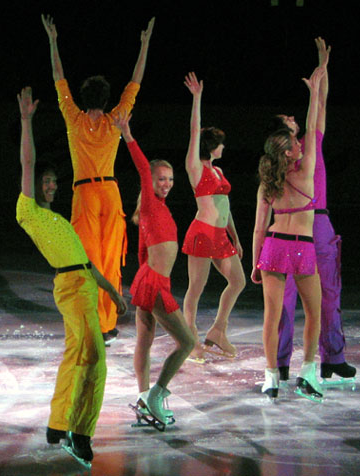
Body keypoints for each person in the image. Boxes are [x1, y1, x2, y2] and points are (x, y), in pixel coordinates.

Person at [16, 87, 126, 467]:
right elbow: (28, 162)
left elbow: (88, 264)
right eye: (45, 181)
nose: (51, 185)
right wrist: (27, 121)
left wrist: (114, 292)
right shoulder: (29, 212)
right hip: (72, 289)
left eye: (53, 182)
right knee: (95, 360)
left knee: (75, 357)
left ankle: (58, 423)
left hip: (85, 286)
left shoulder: (61, 221)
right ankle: (80, 432)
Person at [42, 14, 154, 345]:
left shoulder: (74, 119)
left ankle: (95, 321)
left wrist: (53, 41)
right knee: (108, 259)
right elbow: (135, 83)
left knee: (88, 260)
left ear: (84, 96)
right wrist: (144, 45)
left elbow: (58, 78)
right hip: (110, 192)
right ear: (106, 99)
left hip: (85, 195)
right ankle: (106, 324)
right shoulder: (115, 118)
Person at [269, 38, 355, 383]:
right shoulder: (278, 163)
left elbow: (320, 104)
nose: (293, 119)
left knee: (329, 293)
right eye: (287, 120)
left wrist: (323, 65)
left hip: (319, 224)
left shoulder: (312, 144)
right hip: (291, 231)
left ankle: (333, 357)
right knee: (285, 298)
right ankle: (280, 361)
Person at [115, 110, 195, 430]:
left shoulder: (160, 208)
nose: (167, 184)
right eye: (161, 179)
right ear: (150, 181)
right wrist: (128, 135)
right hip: (153, 283)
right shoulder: (149, 202)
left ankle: (143, 398)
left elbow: (144, 251)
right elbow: (140, 165)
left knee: (144, 341)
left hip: (149, 279)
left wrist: (145, 279)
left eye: (170, 179)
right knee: (187, 342)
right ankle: (156, 395)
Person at [251, 63, 326, 402]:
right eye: (295, 142)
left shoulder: (268, 181)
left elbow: (258, 228)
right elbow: (312, 124)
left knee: (272, 317)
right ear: (288, 151)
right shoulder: (306, 169)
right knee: (313, 313)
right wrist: (314, 93)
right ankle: (308, 372)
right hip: (302, 247)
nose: (300, 142)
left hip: (274, 247)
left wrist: (255, 263)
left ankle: (271, 377)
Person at [181, 73, 246, 360]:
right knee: (196, 288)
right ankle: (190, 338)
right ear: (211, 146)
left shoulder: (218, 171)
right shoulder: (196, 168)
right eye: (221, 143)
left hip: (221, 235)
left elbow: (225, 207)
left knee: (238, 281)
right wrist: (197, 98)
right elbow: (194, 131)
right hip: (202, 233)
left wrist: (235, 237)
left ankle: (218, 330)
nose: (224, 147)